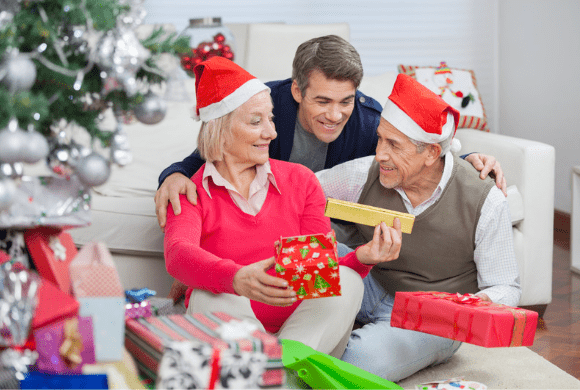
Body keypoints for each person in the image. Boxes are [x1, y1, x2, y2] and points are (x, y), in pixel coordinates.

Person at [164, 56, 403, 358]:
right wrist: (236, 278)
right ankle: (280, 373)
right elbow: (178, 255)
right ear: (219, 130)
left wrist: (362, 258)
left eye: (271, 119)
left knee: (349, 281)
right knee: (207, 295)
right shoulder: (190, 190)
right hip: (236, 332)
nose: (271, 133)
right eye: (256, 121)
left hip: (298, 332)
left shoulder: (299, 181)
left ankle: (280, 369)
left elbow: (314, 275)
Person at [155, 35, 506, 232]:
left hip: (329, 230)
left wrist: (463, 160)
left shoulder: (368, 121)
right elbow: (207, 154)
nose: (335, 115)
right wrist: (173, 175)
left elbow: (412, 156)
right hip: (262, 226)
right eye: (322, 101)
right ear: (296, 91)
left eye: (345, 101)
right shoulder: (264, 109)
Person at [315, 73, 521, 381]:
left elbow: (507, 286)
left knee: (352, 367)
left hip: (433, 320)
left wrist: (485, 302)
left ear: (431, 153)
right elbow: (303, 192)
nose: (380, 153)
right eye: (380, 138)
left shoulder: (485, 201)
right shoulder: (364, 173)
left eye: (394, 145)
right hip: (372, 283)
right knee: (310, 250)